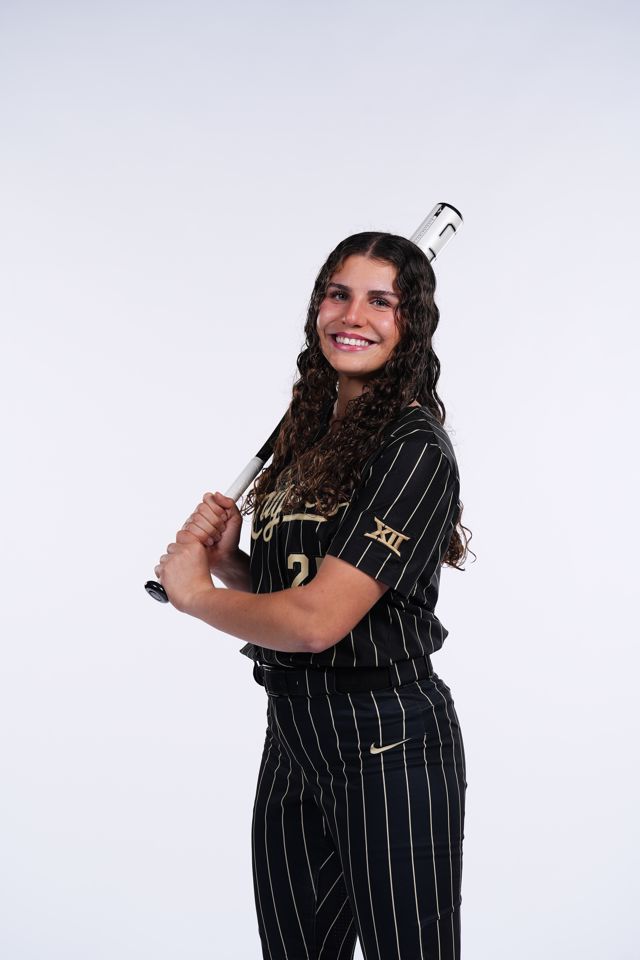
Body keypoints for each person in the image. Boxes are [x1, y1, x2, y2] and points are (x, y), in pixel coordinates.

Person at [154, 230, 473, 960]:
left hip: (388, 739)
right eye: (338, 294)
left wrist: (195, 596)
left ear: (412, 323)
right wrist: (232, 565)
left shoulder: (414, 449)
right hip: (294, 735)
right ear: (316, 308)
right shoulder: (312, 439)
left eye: (380, 301)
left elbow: (316, 621)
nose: (352, 315)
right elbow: (301, 590)